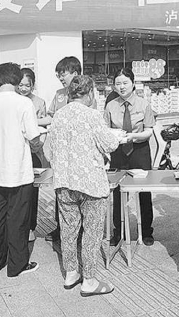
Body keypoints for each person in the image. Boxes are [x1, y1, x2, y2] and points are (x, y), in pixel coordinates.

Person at [44, 75, 119, 296]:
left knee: (68, 230)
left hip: (64, 182)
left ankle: (71, 273)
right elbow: (110, 144)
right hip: (90, 183)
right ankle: (89, 279)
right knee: (91, 232)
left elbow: (49, 150)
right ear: (90, 93)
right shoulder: (92, 115)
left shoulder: (58, 116)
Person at [0, 63, 43, 277]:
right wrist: (39, 143)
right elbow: (33, 136)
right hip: (19, 171)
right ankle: (17, 265)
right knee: (18, 218)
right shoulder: (23, 103)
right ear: (16, 79)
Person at [44, 56, 96, 242]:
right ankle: (61, 228)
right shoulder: (59, 94)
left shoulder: (88, 93)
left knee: (81, 193)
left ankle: (81, 231)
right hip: (62, 151)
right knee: (62, 190)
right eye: (58, 75)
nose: (60, 78)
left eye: (63, 74)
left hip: (81, 151)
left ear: (75, 73)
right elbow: (51, 116)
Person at [104, 68, 155, 247]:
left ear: (133, 84)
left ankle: (147, 231)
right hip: (118, 152)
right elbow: (105, 130)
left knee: (144, 191)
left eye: (125, 83)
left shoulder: (143, 104)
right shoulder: (110, 106)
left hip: (139, 150)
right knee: (118, 192)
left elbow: (149, 130)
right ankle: (118, 232)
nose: (122, 87)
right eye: (118, 83)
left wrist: (134, 136)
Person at [17, 68, 48, 242]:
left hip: (34, 149)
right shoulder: (13, 100)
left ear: (33, 85)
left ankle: (31, 226)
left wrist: (31, 123)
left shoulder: (39, 102)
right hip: (17, 150)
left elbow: (44, 123)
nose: (23, 88)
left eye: (27, 85)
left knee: (32, 191)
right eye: (20, 85)